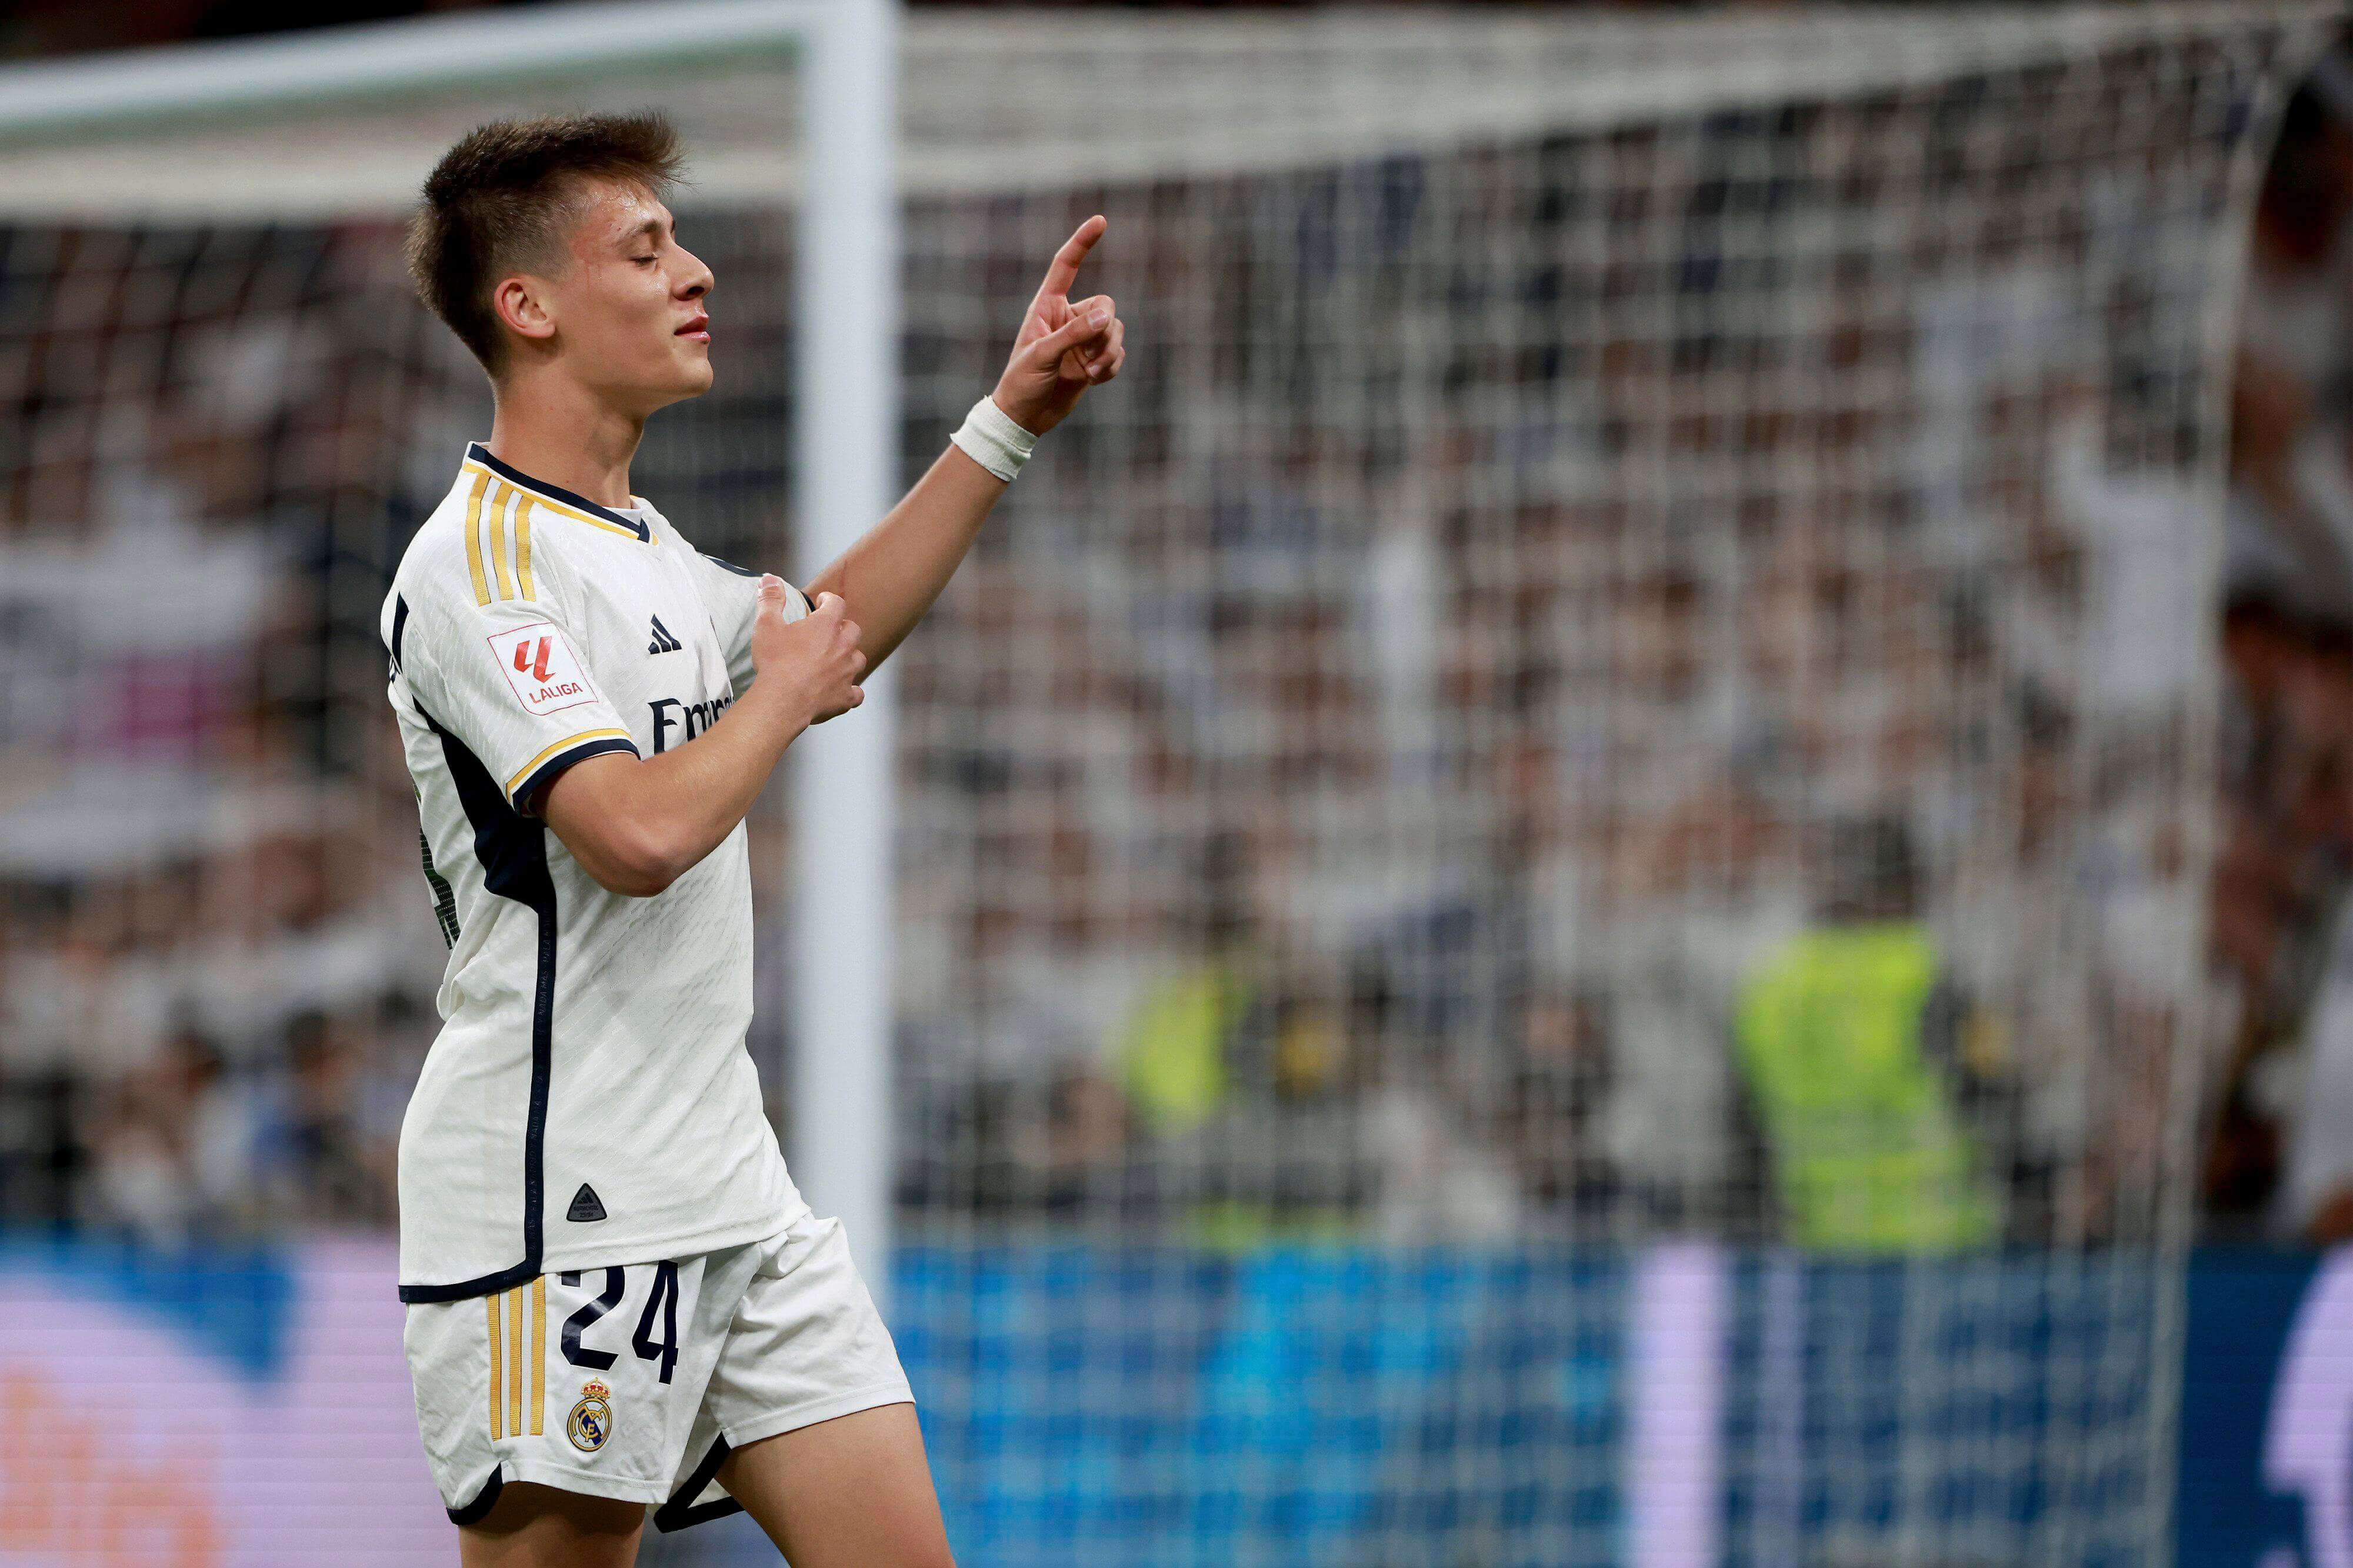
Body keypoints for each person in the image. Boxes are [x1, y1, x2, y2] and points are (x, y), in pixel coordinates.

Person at [379, 113, 1124, 1567]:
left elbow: (821, 634)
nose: (693, 270)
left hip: (730, 1187)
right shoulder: (475, 564)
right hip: (566, 1206)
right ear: (525, 306)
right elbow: (636, 834)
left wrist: (1005, 423)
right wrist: (778, 695)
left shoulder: (639, 546)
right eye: (644, 249)